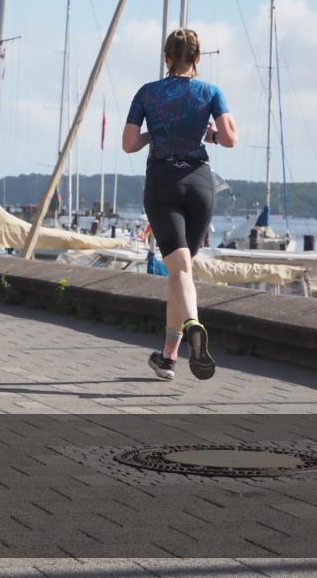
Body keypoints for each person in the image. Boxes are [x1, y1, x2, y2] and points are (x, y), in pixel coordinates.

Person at [122, 28, 238, 382]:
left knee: (179, 271)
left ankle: (193, 325)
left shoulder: (147, 92)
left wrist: (153, 134)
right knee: (180, 273)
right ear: (198, 59)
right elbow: (230, 139)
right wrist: (209, 135)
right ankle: (168, 358)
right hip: (200, 185)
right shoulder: (211, 92)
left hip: (163, 183)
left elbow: (129, 144)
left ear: (166, 58)